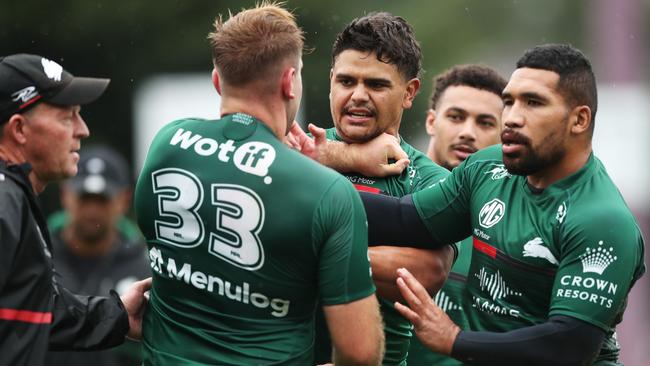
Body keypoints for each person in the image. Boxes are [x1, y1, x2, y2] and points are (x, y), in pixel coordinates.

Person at [359, 44, 645, 365]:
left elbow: (569, 344)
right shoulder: (487, 168)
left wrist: (454, 340)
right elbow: (407, 220)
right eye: (508, 102)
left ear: (579, 120)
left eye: (533, 103)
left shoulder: (601, 219)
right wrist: (317, 193)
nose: (511, 118)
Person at [133, 3, 383, 365]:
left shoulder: (166, 143)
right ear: (288, 81)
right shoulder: (327, 192)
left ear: (217, 81)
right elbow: (360, 355)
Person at [296, 12, 453, 366]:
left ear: (409, 93)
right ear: (332, 80)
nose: (358, 96)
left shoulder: (430, 178)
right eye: (347, 81)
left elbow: (426, 273)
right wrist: (343, 154)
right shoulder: (296, 148)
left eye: (377, 85)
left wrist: (305, 253)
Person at [0, 53, 151, 366]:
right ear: (19, 130)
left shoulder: (14, 197)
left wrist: (118, 315)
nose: (82, 130)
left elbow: (38, 310)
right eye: (67, 116)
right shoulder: (5, 200)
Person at [406, 64, 506, 366]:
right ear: (432, 122)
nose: (467, 132)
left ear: (504, 136)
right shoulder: (391, 198)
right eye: (456, 117)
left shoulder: (512, 226)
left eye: (485, 123)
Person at [45, 145, 151, 366]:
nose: (92, 209)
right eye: (85, 198)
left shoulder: (146, 271)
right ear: (65, 194)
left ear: (124, 199)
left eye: (103, 199)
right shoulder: (37, 257)